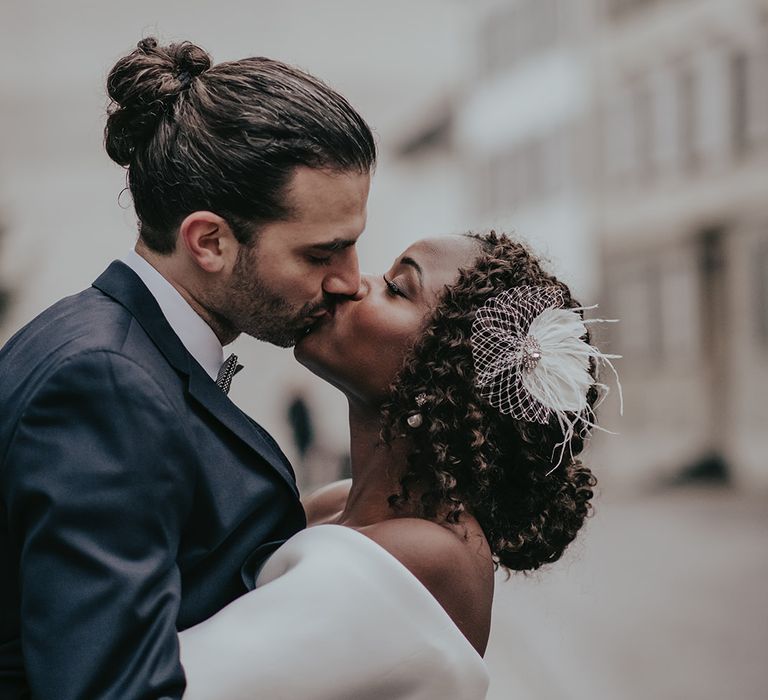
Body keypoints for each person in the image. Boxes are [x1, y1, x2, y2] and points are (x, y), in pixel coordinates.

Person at [0, 38, 375, 699]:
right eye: (322, 254)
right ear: (210, 242)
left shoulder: (108, 346)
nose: (350, 281)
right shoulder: (105, 384)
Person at [178, 230, 617, 699]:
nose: (350, 283)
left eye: (397, 287)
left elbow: (176, 681)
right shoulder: (335, 503)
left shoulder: (432, 557)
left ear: (446, 372)